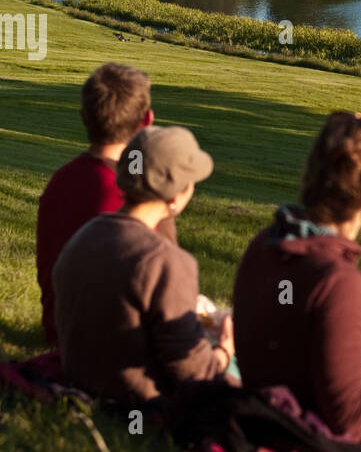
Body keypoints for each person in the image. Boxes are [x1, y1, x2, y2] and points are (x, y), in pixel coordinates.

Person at [233, 111, 361, 452]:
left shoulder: (268, 244)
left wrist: (355, 306)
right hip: (317, 441)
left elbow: (287, 328)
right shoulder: (338, 280)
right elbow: (348, 417)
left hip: (269, 418)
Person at [53, 125, 233, 405]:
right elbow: (194, 372)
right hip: (137, 398)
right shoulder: (166, 262)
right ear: (177, 195)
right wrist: (224, 352)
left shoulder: (84, 235)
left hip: (81, 376)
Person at [36, 63, 176, 345]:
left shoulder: (59, 182)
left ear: (84, 118)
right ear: (147, 121)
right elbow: (170, 292)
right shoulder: (138, 196)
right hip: (117, 344)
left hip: (59, 329)